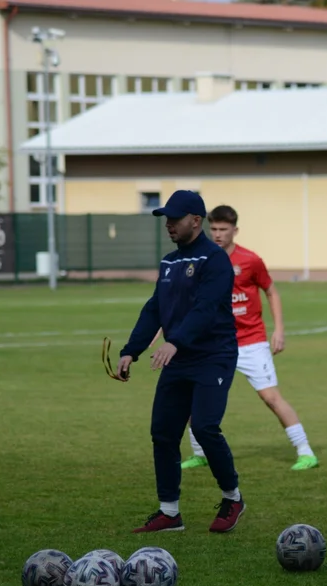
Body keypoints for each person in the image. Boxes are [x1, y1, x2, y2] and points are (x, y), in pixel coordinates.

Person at [117, 190, 246, 534]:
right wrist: (131, 350)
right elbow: (155, 309)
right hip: (179, 357)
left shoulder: (215, 260)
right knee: (163, 432)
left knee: (204, 427)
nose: (169, 224)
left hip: (213, 357)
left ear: (195, 220)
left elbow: (206, 308)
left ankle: (232, 497)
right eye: (166, 219)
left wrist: (175, 341)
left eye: (175, 218)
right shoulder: (170, 262)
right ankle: (169, 512)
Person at [180, 205, 319, 472]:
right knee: (195, 398)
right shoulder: (202, 259)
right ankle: (199, 453)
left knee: (271, 398)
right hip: (215, 343)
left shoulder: (250, 260)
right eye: (215, 229)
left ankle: (306, 452)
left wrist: (279, 329)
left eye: (224, 229)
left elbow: (271, 291)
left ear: (235, 230)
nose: (218, 234)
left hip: (251, 342)